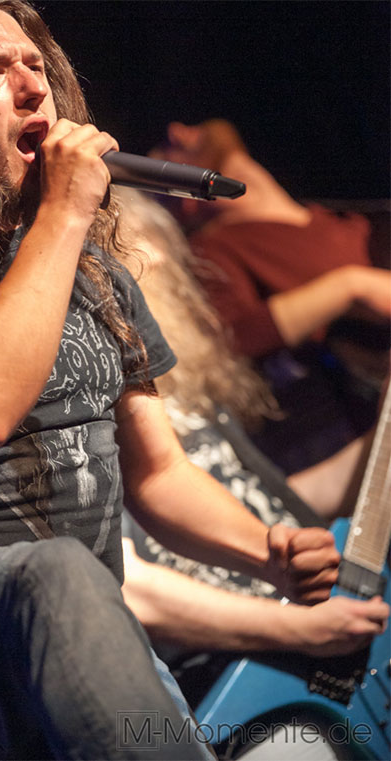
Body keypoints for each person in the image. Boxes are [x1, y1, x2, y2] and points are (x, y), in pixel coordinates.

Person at [0, 2, 341, 758]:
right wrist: (63, 214)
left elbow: (159, 476)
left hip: (88, 617)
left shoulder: (95, 275)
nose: (32, 87)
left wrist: (268, 551)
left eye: (36, 65)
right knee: (57, 573)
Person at [112, 188, 388, 716]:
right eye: (129, 243)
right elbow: (126, 582)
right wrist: (295, 629)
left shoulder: (181, 388)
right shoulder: (80, 401)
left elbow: (276, 505)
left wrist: (383, 440)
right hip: (223, 675)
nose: (163, 259)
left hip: (313, 639)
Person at [154, 119, 391, 472]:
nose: (175, 129)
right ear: (185, 201)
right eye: (168, 152)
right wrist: (351, 286)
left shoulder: (341, 218)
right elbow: (232, 339)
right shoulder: (215, 248)